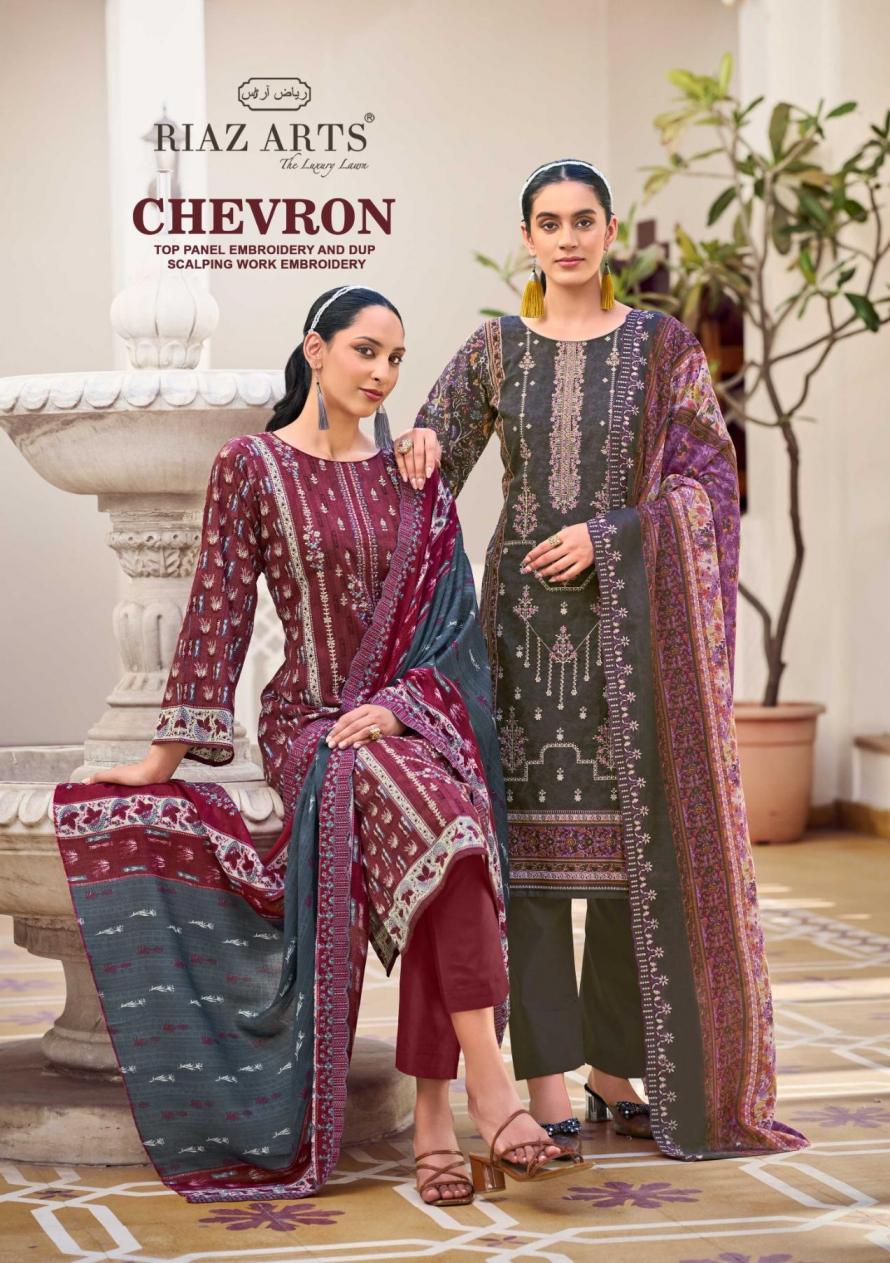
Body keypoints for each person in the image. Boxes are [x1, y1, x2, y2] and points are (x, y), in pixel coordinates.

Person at [53, 285, 585, 1206]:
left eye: (395, 359)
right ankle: (484, 1091)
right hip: (312, 723)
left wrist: (401, 708)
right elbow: (216, 615)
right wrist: (156, 763)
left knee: (452, 837)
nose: (381, 373)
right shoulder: (252, 466)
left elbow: (455, 634)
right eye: (365, 350)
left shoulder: (413, 475)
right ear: (316, 349)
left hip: (406, 721)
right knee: (443, 823)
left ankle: (440, 1113)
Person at [397, 162, 808, 1160]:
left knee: (630, 860)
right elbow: (429, 459)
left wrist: (612, 536)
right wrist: (411, 446)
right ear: (527, 238)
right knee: (533, 867)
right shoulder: (495, 349)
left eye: (584, 220)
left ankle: (616, 1071)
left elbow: (708, 484)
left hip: (631, 637)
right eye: (550, 223)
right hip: (521, 634)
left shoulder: (663, 348)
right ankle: (545, 1078)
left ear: (610, 231)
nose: (569, 238)